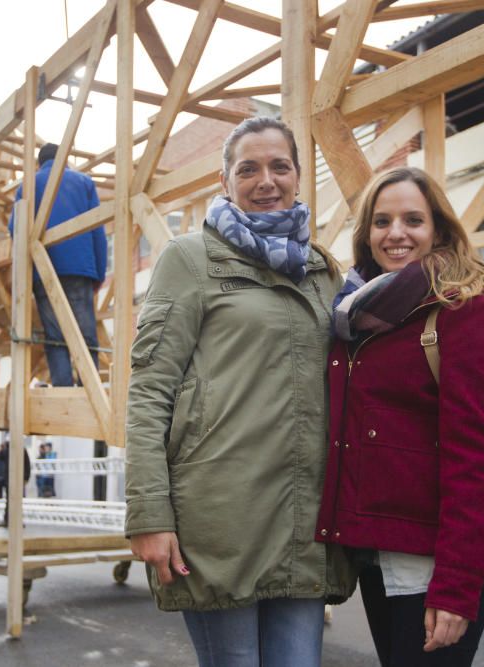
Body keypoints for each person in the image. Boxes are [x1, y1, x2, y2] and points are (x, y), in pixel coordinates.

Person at [124, 116, 356, 667]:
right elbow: (149, 392)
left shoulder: (323, 272)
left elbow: (387, 316)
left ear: (298, 176)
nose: (266, 180)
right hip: (218, 521)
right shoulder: (189, 260)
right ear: (225, 181)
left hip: (304, 519)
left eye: (280, 166)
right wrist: (149, 513)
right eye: (248, 168)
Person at [316, 167, 484, 665]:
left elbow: (474, 460)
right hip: (379, 549)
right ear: (366, 235)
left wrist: (458, 585)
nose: (395, 233)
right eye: (381, 221)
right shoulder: (359, 315)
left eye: (412, 219)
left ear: (438, 229)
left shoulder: (470, 315)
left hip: (437, 561)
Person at [8, 142, 107, 387]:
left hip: (45, 270)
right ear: (65, 158)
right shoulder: (84, 183)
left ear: (39, 163)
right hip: (80, 270)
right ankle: (89, 388)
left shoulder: (29, 186)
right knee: (85, 334)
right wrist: (99, 273)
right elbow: (97, 230)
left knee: (56, 337)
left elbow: (15, 229)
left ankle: (63, 389)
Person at [0, 440, 31, 528]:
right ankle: (7, 520)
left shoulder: (22, 450)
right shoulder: (7, 451)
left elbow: (27, 464)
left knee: (17, 501)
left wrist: (26, 477)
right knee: (9, 501)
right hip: (10, 479)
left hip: (18, 479)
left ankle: (17, 521)